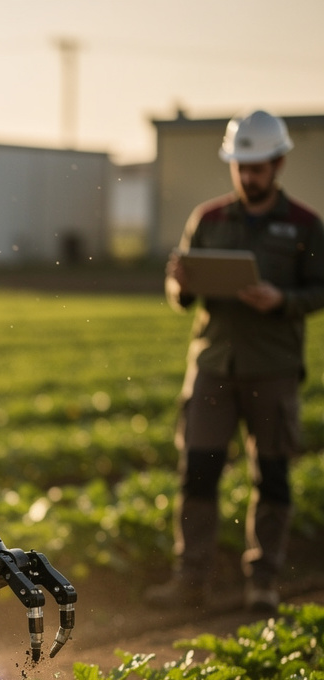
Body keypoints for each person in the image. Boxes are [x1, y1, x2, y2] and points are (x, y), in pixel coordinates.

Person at [147, 110, 324, 614]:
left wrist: (283, 300)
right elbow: (180, 292)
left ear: (279, 163)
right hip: (213, 366)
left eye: (258, 167)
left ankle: (263, 581)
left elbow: (320, 288)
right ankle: (191, 579)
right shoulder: (208, 219)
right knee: (197, 474)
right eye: (241, 166)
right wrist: (179, 282)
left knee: (272, 475)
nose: (248, 176)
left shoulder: (307, 226)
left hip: (273, 369)